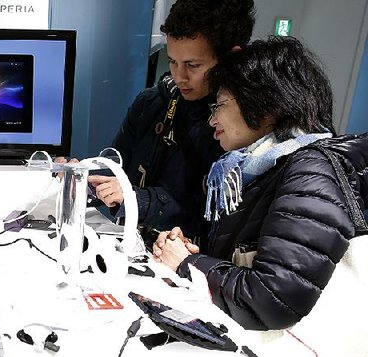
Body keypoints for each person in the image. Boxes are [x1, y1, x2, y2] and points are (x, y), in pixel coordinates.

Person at [152, 37, 368, 330]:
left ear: (265, 105)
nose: (212, 119)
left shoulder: (311, 172)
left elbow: (271, 299)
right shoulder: (261, 168)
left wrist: (187, 265)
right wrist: (195, 254)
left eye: (219, 104)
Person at [88, 0, 256, 241]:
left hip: (192, 259)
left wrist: (142, 200)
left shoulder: (245, 125)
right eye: (173, 61)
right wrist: (85, 175)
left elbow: (222, 215)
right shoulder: (151, 102)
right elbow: (116, 165)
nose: (179, 76)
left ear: (231, 59)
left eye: (193, 65)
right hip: (132, 243)